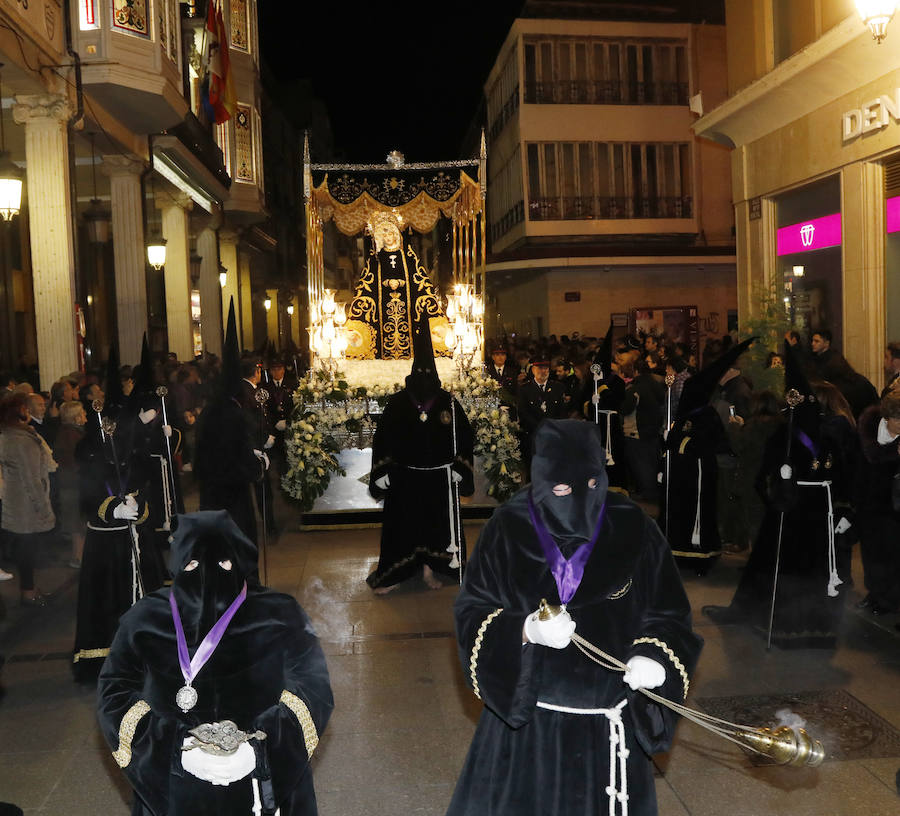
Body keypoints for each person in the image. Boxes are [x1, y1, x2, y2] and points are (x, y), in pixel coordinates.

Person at [447, 420, 702, 816]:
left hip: (608, 730)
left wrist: (656, 656)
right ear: (543, 481)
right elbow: (472, 610)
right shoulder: (507, 528)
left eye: (592, 487)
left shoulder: (635, 527)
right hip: (527, 732)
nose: (580, 503)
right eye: (564, 491)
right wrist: (524, 630)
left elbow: (669, 614)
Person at [97, 510, 333, 815]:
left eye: (223, 564)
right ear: (179, 564)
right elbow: (114, 693)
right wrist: (173, 748)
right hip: (175, 783)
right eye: (193, 564)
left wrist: (261, 748)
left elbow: (314, 687)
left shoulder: (279, 615)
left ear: (240, 561)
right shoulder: (144, 620)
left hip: (261, 783)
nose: (207, 577)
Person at [704, 348, 853, 647]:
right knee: (771, 565)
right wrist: (777, 492)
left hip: (813, 514)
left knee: (806, 570)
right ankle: (761, 614)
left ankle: (811, 627)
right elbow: (764, 477)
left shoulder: (828, 439)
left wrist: (843, 510)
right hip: (787, 512)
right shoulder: (784, 437)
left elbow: (841, 477)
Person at [367, 324, 475, 593]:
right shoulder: (398, 403)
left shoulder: (448, 402)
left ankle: (429, 570)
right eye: (420, 374)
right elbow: (384, 438)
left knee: (435, 529)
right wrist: (383, 471)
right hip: (405, 478)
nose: (425, 379)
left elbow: (463, 435)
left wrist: (460, 466)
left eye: (429, 374)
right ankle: (397, 573)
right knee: (403, 529)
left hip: (439, 478)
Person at [195, 302, 268, 544]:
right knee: (237, 542)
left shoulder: (209, 411)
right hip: (232, 495)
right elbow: (239, 452)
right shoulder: (234, 414)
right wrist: (257, 465)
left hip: (210, 493)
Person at [0, 392, 57, 606]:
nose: (28, 411)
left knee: (26, 550)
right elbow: (31, 477)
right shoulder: (20, 440)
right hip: (25, 505)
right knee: (27, 551)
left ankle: (30, 587)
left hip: (17, 502)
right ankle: (28, 591)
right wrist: (42, 507)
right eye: (25, 408)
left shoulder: (11, 435)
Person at [854, 388, 900, 616]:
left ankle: (889, 599)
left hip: (894, 505)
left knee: (891, 553)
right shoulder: (869, 424)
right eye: (898, 420)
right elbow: (871, 456)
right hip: (869, 500)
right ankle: (874, 593)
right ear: (887, 417)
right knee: (870, 552)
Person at [517, 358, 567, 475]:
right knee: (533, 470)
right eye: (540, 368)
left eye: (546, 369)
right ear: (533, 370)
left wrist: (553, 427)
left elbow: (562, 411)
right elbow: (523, 413)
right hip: (533, 435)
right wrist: (540, 427)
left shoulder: (558, 387)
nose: (543, 371)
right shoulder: (525, 389)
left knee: (553, 469)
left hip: (553, 435)